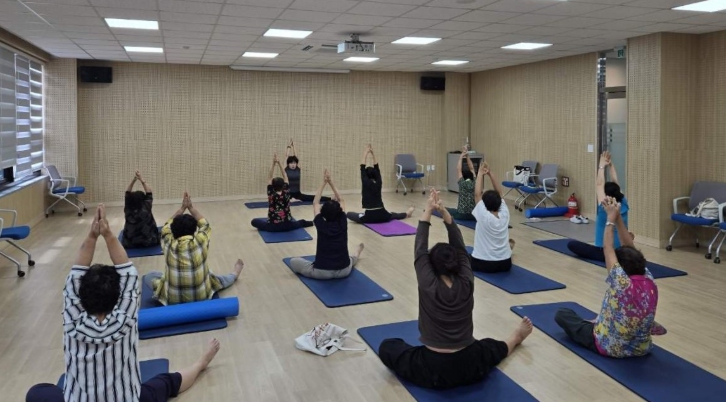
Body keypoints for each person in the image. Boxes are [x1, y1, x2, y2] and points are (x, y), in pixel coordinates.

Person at [25, 205, 222, 402]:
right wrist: (108, 234)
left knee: (36, 392)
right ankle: (201, 363)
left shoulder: (72, 318)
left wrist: (92, 236)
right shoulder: (125, 318)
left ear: (80, 296)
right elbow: (127, 270)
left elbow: (77, 271)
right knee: (167, 382)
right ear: (117, 297)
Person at [378, 189, 533, 389]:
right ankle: (515, 337)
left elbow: (420, 248)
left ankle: (515, 337)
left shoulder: (428, 283)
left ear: (432, 266)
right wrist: (444, 212)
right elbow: (459, 246)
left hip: (432, 368)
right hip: (470, 364)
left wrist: (428, 210)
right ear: (458, 263)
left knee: (388, 346)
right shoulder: (467, 279)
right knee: (490, 347)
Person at [555, 196, 658, 358]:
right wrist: (618, 218)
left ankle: (598, 324)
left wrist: (610, 219)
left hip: (610, 347)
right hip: (641, 349)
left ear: (620, 268)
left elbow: (607, 247)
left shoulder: (621, 282)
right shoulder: (649, 279)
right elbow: (629, 246)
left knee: (562, 314)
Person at [147, 192, 244, 305]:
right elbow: (205, 224)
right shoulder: (200, 241)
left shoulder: (168, 242)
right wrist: (191, 208)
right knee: (214, 277)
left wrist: (182, 208)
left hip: (173, 301)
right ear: (194, 230)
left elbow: (166, 226)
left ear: (173, 231)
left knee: (149, 276)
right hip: (201, 297)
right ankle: (234, 274)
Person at [289, 169, 364, 279]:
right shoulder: (342, 221)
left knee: (293, 261)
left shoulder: (321, 224)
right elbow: (341, 200)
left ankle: (356, 252)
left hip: (322, 272)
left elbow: (315, 202)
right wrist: (331, 182)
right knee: (352, 259)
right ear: (339, 212)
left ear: (323, 213)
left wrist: (324, 183)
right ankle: (357, 251)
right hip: (344, 270)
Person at [567, 151, 630, 262]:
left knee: (571, 244)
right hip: (623, 252)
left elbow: (599, 184)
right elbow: (616, 183)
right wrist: (611, 165)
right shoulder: (624, 202)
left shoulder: (604, 207)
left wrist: (601, 166)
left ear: (606, 195)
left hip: (604, 252)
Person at [347, 144, 414, 223]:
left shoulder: (365, 181)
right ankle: (407, 213)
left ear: (366, 175)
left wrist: (365, 152)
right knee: (393, 215)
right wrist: (373, 154)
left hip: (369, 216)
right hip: (382, 215)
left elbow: (362, 167)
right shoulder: (378, 181)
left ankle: (363, 215)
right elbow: (376, 168)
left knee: (349, 214)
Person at [470, 162, 515, 273]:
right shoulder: (505, 214)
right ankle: (508, 247)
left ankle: (508, 246)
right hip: (505, 264)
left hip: (482, 264)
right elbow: (500, 193)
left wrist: (480, 174)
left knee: (462, 256)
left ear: (484, 204)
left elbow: (477, 195)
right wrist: (490, 173)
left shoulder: (484, 216)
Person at [251, 153, 314, 232]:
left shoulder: (271, 194)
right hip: (287, 225)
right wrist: (279, 163)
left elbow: (270, 178)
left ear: (273, 186)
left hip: (273, 226)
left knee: (254, 221)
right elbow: (285, 176)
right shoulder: (286, 192)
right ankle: (312, 223)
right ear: (283, 185)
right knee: (301, 222)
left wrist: (274, 163)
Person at [121, 170, 161, 249]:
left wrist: (134, 180)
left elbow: (127, 193)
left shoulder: (128, 209)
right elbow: (149, 193)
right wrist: (141, 179)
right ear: (143, 200)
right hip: (149, 241)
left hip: (131, 242)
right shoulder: (146, 207)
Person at [285, 138, 331, 202]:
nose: (293, 165)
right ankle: (292, 199)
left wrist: (294, 145)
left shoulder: (298, 169)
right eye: (291, 163)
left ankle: (330, 199)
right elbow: (286, 156)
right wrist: (289, 147)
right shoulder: (286, 169)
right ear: (288, 164)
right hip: (288, 194)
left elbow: (296, 156)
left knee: (313, 198)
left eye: (294, 163)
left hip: (298, 194)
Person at [446, 146, 477, 221]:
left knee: (447, 210)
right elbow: (472, 168)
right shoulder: (475, 182)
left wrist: (461, 156)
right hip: (473, 215)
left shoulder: (462, 183)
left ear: (463, 177)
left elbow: (458, 169)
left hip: (461, 215)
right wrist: (467, 155)